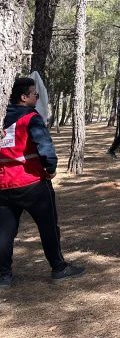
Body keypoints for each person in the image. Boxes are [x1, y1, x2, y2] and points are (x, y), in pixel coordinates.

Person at [0, 77, 85, 288]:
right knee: (48, 226)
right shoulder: (31, 118)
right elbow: (44, 145)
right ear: (24, 97)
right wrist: (51, 167)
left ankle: (3, 276)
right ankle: (59, 267)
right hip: (32, 182)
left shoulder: (2, 118)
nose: (37, 97)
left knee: (4, 232)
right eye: (34, 94)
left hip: (3, 184)